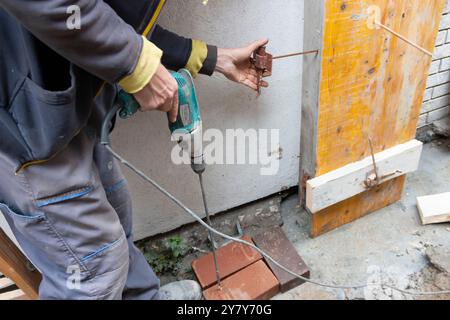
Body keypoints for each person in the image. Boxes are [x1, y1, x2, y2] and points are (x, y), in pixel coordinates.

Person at [0, 0, 269, 300]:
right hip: (24, 133)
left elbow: (118, 20)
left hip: (69, 115)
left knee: (117, 218)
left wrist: (214, 59)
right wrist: (135, 64)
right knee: (94, 269)